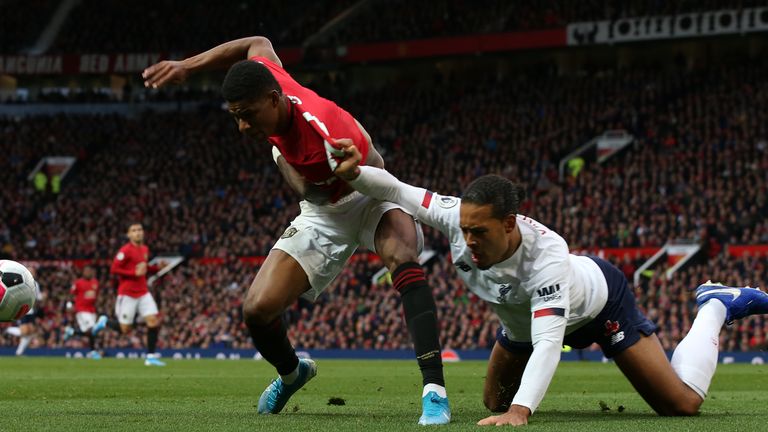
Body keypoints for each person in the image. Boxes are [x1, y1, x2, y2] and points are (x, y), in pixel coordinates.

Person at [333, 140, 768, 426]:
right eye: (464, 229)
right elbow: (396, 189)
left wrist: (523, 412)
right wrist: (353, 173)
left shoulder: (548, 258)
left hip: (599, 306)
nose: (467, 241)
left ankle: (716, 304)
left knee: (681, 405)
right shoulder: (458, 218)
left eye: (479, 232)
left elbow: (549, 344)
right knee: (492, 406)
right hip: (521, 326)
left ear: (509, 225)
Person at [142, 36, 450, 424]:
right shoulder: (270, 78)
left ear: (273, 101)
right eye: (235, 115)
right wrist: (187, 65)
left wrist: (296, 164)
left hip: (369, 194)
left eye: (247, 114)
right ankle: (292, 373)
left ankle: (434, 392)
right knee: (256, 309)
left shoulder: (324, 133)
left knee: (403, 256)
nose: (241, 126)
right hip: (322, 210)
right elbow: (256, 42)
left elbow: (357, 169)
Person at [104, 222, 165, 366]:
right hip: (127, 294)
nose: (138, 232)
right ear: (129, 234)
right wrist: (132, 273)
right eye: (134, 230)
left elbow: (143, 268)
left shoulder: (144, 249)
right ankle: (104, 321)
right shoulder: (125, 250)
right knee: (125, 329)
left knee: (153, 321)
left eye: (140, 230)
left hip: (143, 292)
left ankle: (150, 357)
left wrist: (156, 268)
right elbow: (114, 269)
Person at [63, 265, 105, 359]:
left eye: (89, 271)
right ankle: (93, 351)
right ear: (83, 272)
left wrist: (99, 306)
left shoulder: (95, 282)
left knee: (91, 332)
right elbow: (71, 295)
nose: (88, 273)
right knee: (91, 329)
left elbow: (97, 296)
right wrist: (69, 305)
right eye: (86, 271)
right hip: (81, 310)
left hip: (92, 310)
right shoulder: (78, 283)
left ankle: (73, 332)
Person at [4, 267, 43, 356]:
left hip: (31, 310)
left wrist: (41, 297)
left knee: (31, 332)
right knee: (25, 331)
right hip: (22, 309)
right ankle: (7, 330)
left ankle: (19, 352)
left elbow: (37, 297)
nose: (31, 273)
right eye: (30, 271)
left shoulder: (36, 284)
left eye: (33, 271)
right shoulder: (19, 281)